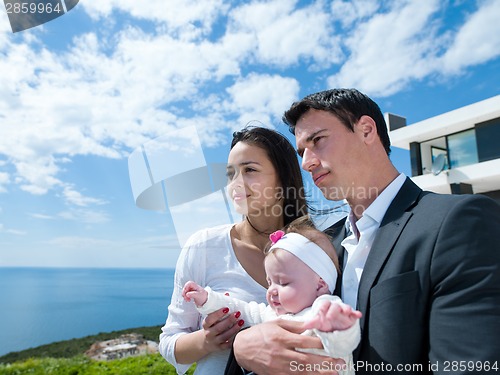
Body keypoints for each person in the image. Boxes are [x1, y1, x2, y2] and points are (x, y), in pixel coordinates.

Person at [229, 88, 500, 375]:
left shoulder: (458, 221)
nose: (307, 162)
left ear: (367, 130)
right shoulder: (319, 244)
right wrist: (242, 348)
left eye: (318, 140)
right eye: (301, 152)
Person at [158, 126, 309, 374]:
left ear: (283, 177)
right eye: (231, 174)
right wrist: (206, 340)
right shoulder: (204, 246)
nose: (236, 184)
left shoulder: (315, 249)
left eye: (249, 170)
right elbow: (169, 343)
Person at [183, 217, 362, 375]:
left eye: (283, 282)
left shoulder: (324, 309)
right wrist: (208, 299)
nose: (272, 290)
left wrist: (340, 325)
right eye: (270, 282)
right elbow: (242, 309)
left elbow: (344, 344)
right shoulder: (271, 314)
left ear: (320, 284)